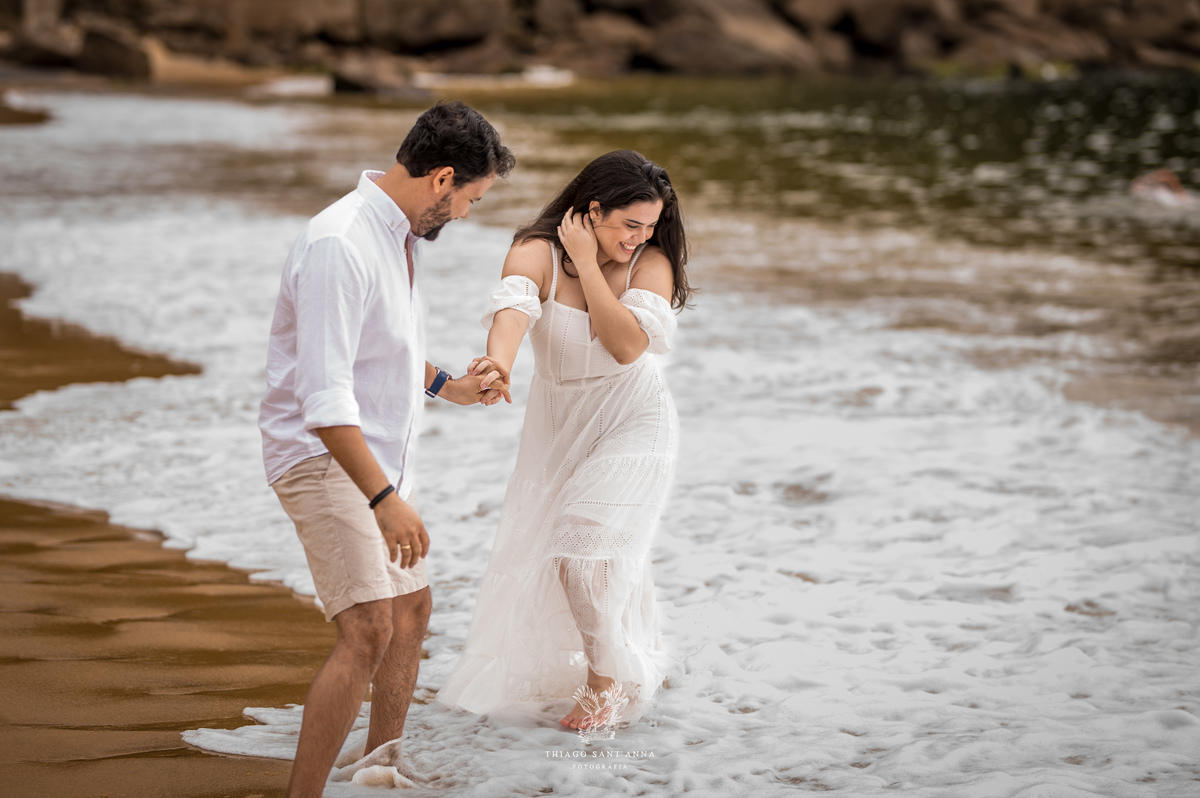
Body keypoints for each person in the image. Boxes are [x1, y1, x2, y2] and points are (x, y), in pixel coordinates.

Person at [257, 101, 514, 797]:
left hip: (373, 460)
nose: (465, 215)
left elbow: (382, 346)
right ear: (443, 179)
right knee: (369, 627)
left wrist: (448, 386)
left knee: (412, 610)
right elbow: (324, 396)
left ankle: (381, 770)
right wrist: (384, 498)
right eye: (471, 199)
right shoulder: (340, 242)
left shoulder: (394, 236)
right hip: (324, 458)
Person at [436, 149, 692, 730]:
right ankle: (623, 655)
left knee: (582, 550)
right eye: (631, 224)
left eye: (650, 226)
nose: (641, 237)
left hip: (634, 417)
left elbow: (627, 347)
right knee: (587, 553)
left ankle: (605, 683)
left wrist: (590, 261)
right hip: (560, 423)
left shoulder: (650, 264)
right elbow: (512, 314)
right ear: (592, 210)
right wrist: (496, 365)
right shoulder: (534, 252)